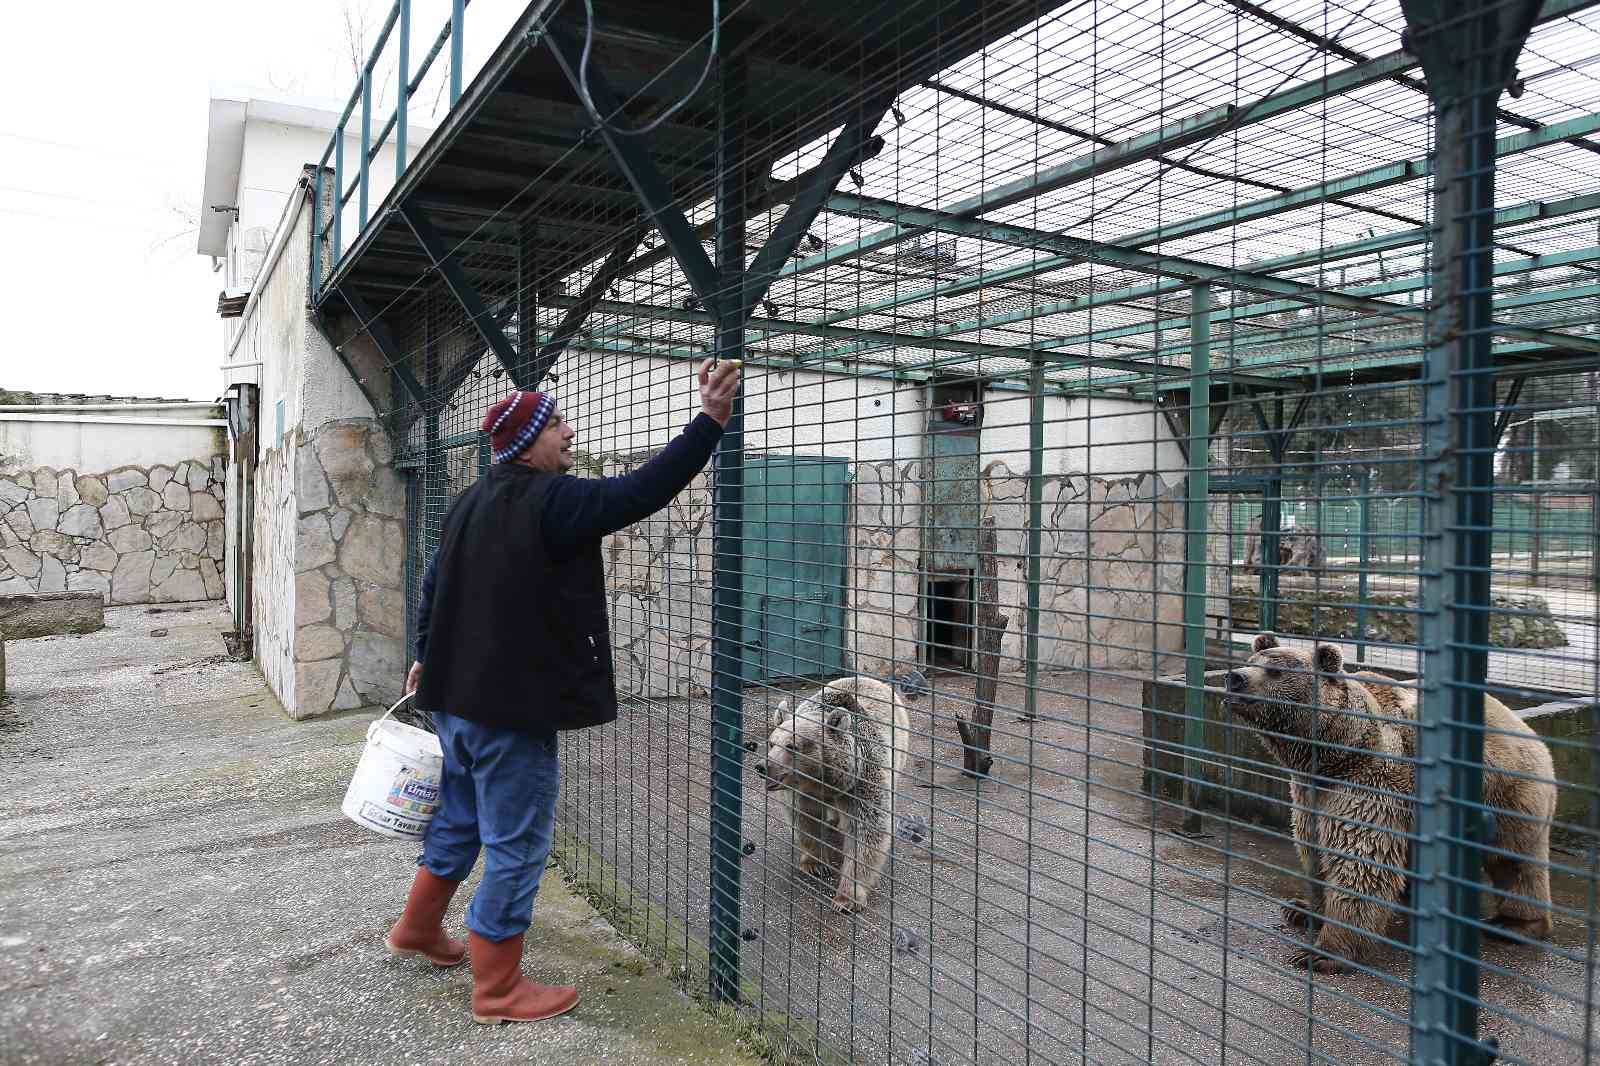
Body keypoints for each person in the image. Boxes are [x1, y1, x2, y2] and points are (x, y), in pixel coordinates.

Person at [384, 358, 741, 1025]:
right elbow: (643, 490)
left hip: (454, 703)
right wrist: (710, 420)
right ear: (528, 441)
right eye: (557, 425)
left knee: (459, 824)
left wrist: (425, 657)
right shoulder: (555, 501)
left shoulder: (467, 501)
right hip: (509, 713)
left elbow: (434, 584)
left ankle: (416, 930)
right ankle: (497, 989)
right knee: (518, 845)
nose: (569, 433)